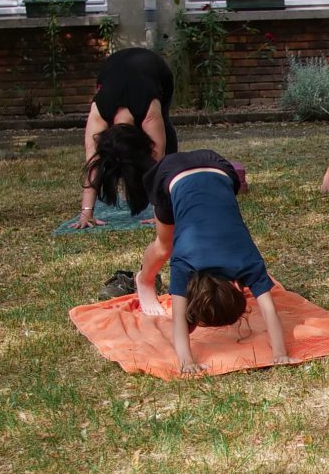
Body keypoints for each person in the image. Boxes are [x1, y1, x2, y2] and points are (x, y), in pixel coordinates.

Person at [130, 147, 292, 377]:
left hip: (219, 167)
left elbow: (269, 309)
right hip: (171, 172)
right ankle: (144, 280)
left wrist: (280, 353)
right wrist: (185, 361)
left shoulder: (247, 260)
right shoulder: (184, 263)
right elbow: (178, 319)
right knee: (164, 246)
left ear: (236, 288)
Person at [75, 47, 176, 228]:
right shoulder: (99, 112)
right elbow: (93, 162)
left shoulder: (150, 113)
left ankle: (168, 198)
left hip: (155, 70)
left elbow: (158, 161)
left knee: (164, 138)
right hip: (112, 69)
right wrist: (86, 211)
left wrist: (159, 213)